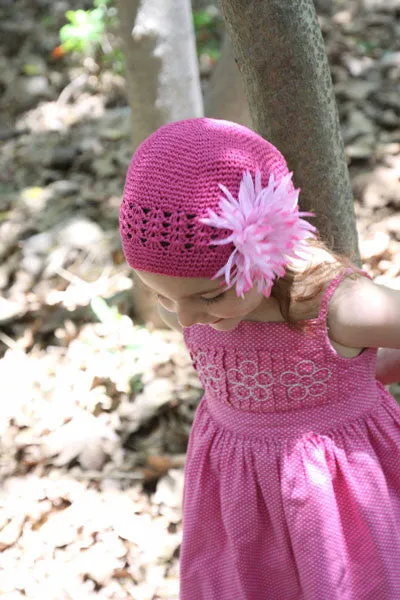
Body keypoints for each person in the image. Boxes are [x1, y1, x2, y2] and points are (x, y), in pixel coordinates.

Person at [119, 118, 400, 599]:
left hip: (336, 499)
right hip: (237, 500)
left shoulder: (334, 308)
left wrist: (359, 378)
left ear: (265, 248)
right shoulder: (195, 308)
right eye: (164, 299)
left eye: (208, 297)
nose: (186, 320)